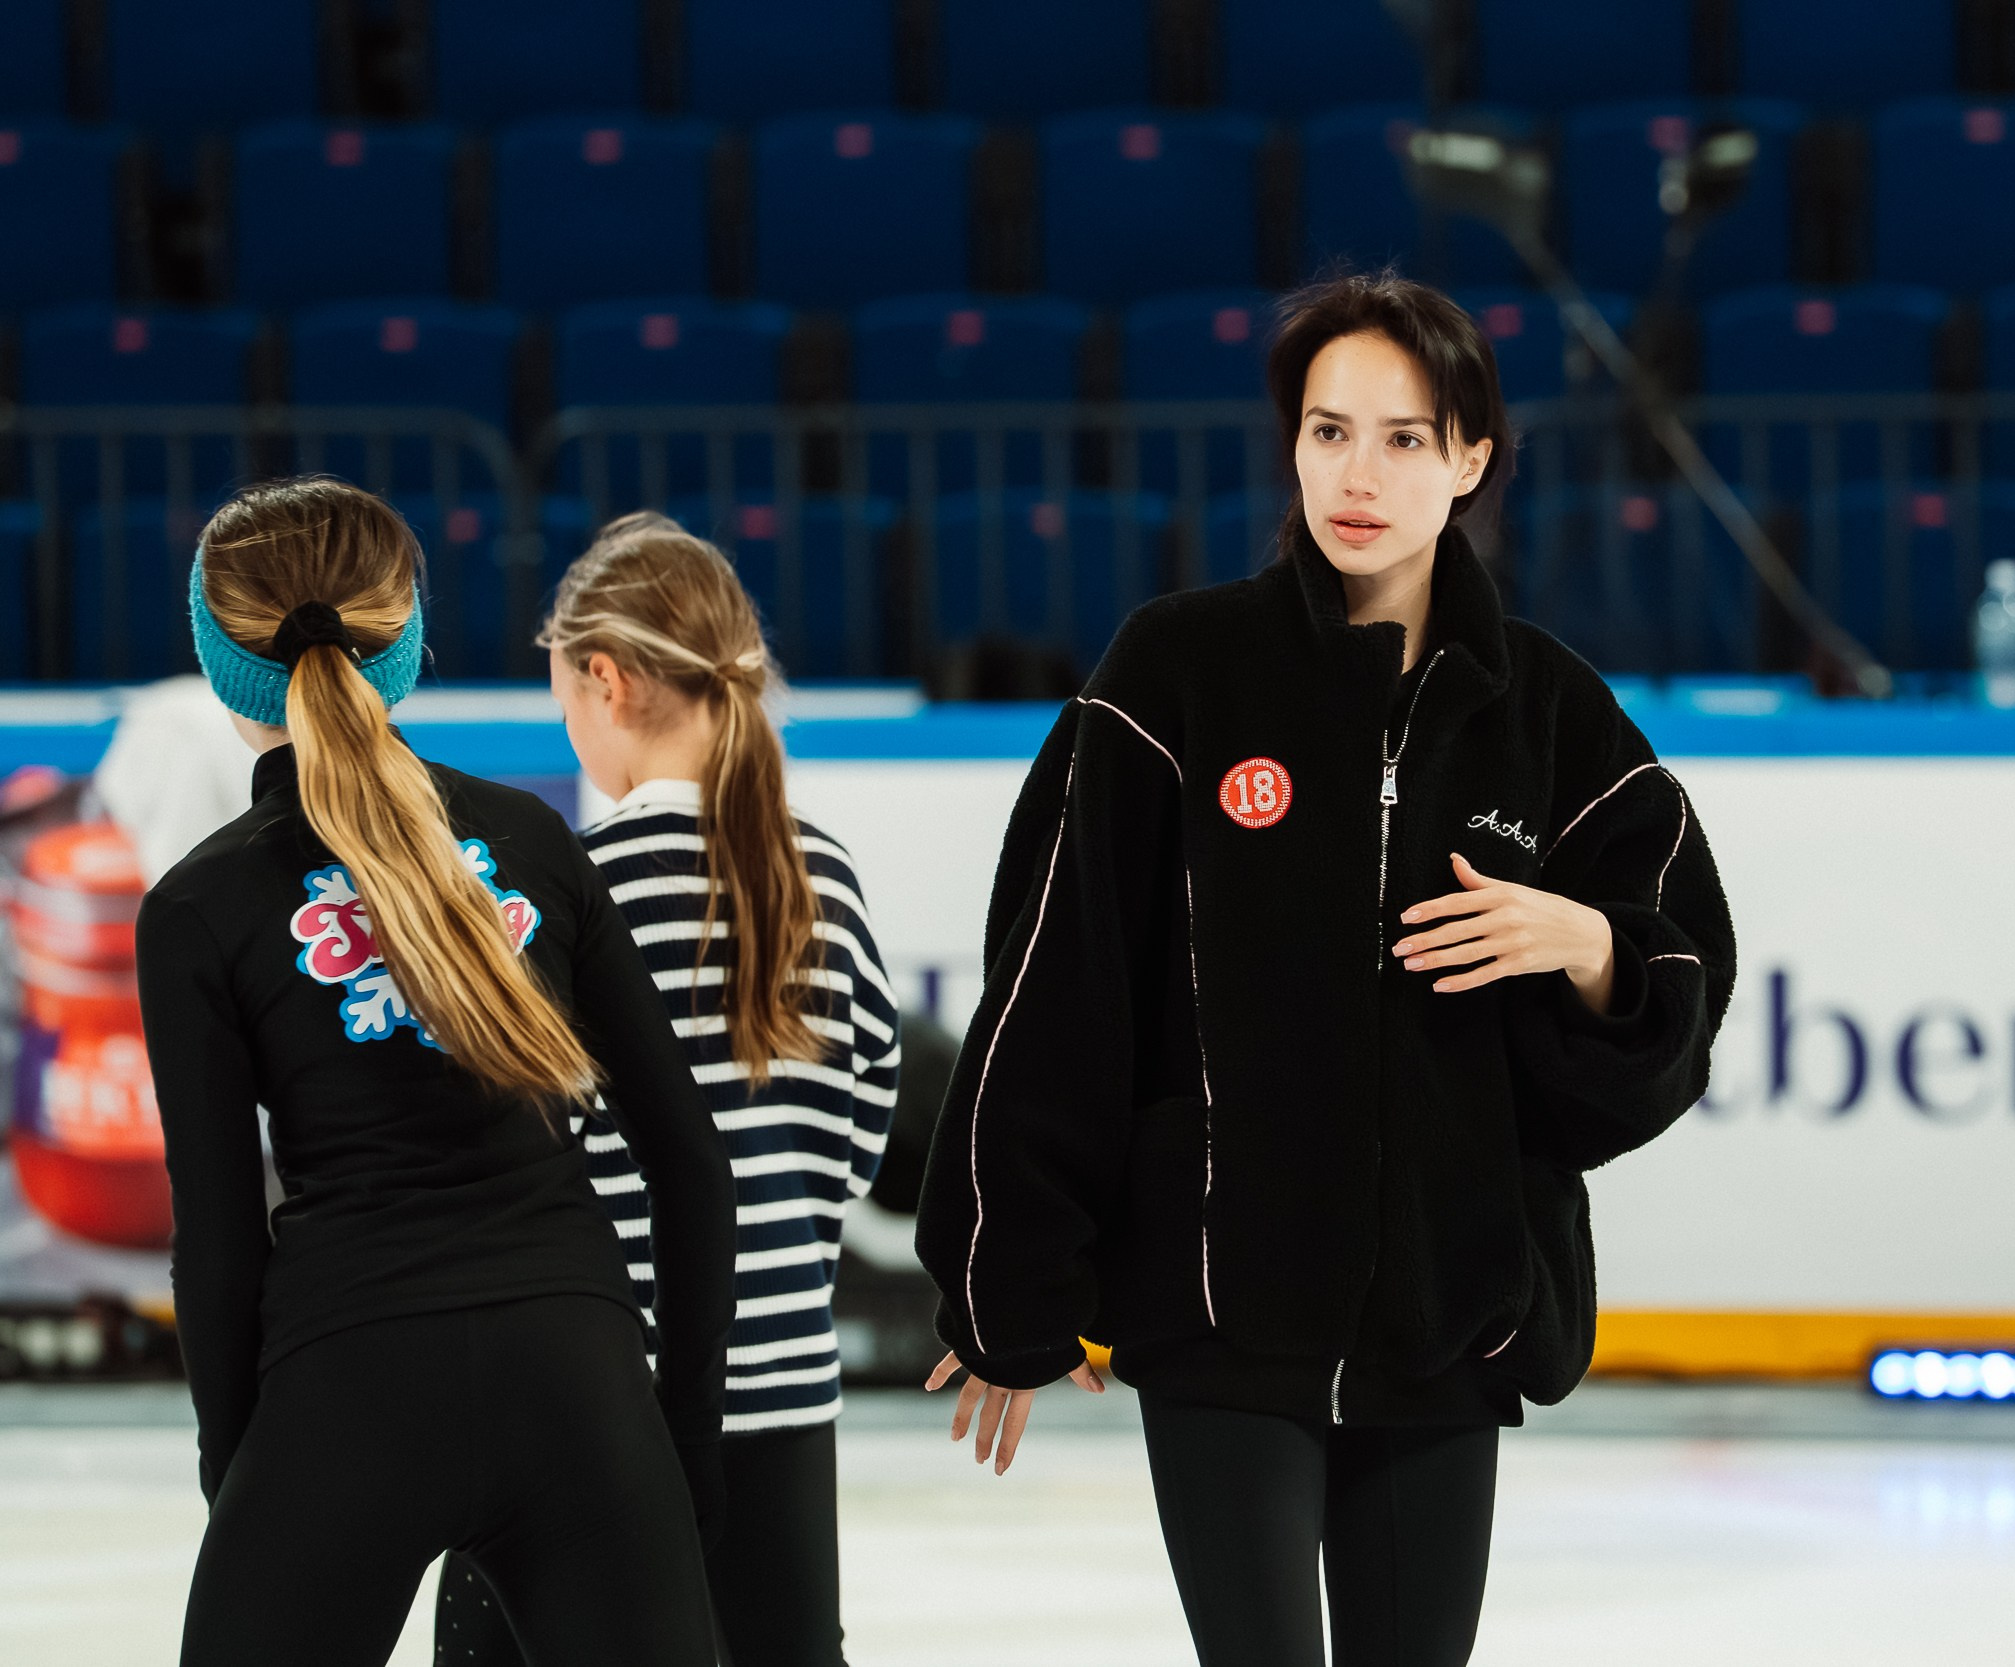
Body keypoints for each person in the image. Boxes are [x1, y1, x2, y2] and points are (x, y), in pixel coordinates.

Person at [914, 272, 1739, 1665]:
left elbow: (1681, 970)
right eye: (1327, 431)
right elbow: (1056, 984)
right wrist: (1010, 1284)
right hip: (1223, 1311)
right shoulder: (1175, 672)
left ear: (1471, 456)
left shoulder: (1549, 709)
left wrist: (1590, 946)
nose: (1358, 474)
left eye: (1404, 437)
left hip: (1448, 1322)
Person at [138, 477, 736, 1667]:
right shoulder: (533, 840)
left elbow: (215, 1238)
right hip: (579, 1383)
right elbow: (690, 1165)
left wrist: (246, 1474)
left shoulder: (198, 904)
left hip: (349, 1385)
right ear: (407, 638)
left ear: (219, 661)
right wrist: (671, 1444)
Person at [436, 513, 901, 1667]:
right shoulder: (821, 873)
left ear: (605, 679)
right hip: (784, 1376)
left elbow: (523, 1146)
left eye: (564, 701)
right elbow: (860, 1123)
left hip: (599, 1392)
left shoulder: (577, 888)